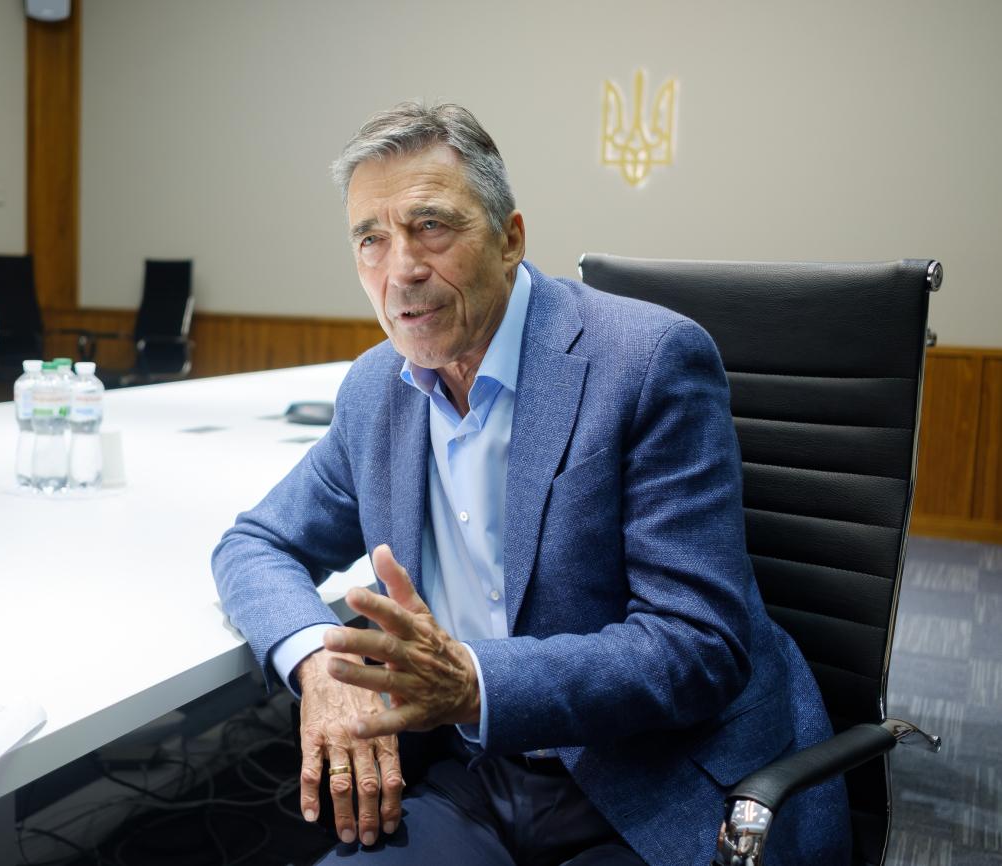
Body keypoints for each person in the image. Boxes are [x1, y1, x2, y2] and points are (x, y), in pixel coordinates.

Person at [212, 102, 850, 866]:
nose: (400, 270)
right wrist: (318, 663)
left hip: (655, 778)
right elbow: (255, 544)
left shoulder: (648, 364)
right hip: (477, 773)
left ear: (510, 238)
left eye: (430, 227)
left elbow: (699, 645)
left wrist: (476, 683)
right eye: (370, 240)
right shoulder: (377, 392)